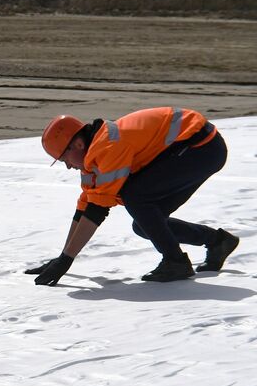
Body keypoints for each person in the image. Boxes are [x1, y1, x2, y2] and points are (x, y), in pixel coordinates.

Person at [27, 107, 238, 285]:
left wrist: (67, 260)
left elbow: (97, 210)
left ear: (79, 144)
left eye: (64, 158)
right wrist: (62, 256)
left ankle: (176, 262)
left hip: (202, 148)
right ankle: (218, 242)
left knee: (136, 198)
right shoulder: (91, 161)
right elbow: (85, 206)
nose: (68, 166)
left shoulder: (107, 146)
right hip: (194, 151)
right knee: (146, 224)